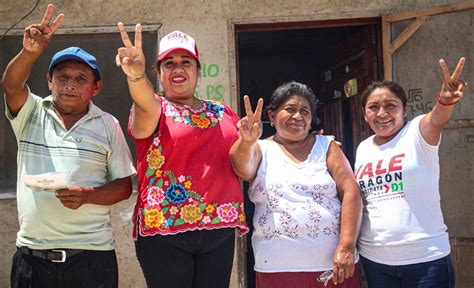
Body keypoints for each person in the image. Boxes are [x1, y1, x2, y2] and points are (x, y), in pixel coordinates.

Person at [2, 4, 136, 288]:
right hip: (32, 258)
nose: (70, 85)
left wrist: (88, 195)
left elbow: (124, 186)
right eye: (62, 77)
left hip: (92, 259)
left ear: (95, 87)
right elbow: (12, 86)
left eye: (80, 79)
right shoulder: (31, 112)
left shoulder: (108, 124)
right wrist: (29, 53)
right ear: (49, 81)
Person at [115, 24, 248, 288]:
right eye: (169, 63)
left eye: (186, 62)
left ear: (198, 70)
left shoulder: (222, 112)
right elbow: (144, 102)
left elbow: (242, 168)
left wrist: (250, 141)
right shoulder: (155, 108)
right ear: (158, 72)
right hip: (165, 230)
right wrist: (136, 77)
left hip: (218, 228)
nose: (178, 69)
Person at [229, 81, 363, 288]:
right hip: (276, 266)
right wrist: (246, 141)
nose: (298, 117)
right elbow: (242, 169)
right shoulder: (261, 149)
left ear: (311, 120)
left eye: (305, 111)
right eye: (290, 109)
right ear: (272, 116)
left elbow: (351, 192)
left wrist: (346, 247)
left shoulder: (326, 146)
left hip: (333, 265)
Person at [354, 58, 467, 288]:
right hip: (376, 260)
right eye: (373, 107)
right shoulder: (363, 148)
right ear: (365, 115)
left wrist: (445, 102)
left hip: (426, 259)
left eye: (391, 105)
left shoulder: (417, 132)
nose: (382, 113)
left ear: (404, 110)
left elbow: (436, 119)